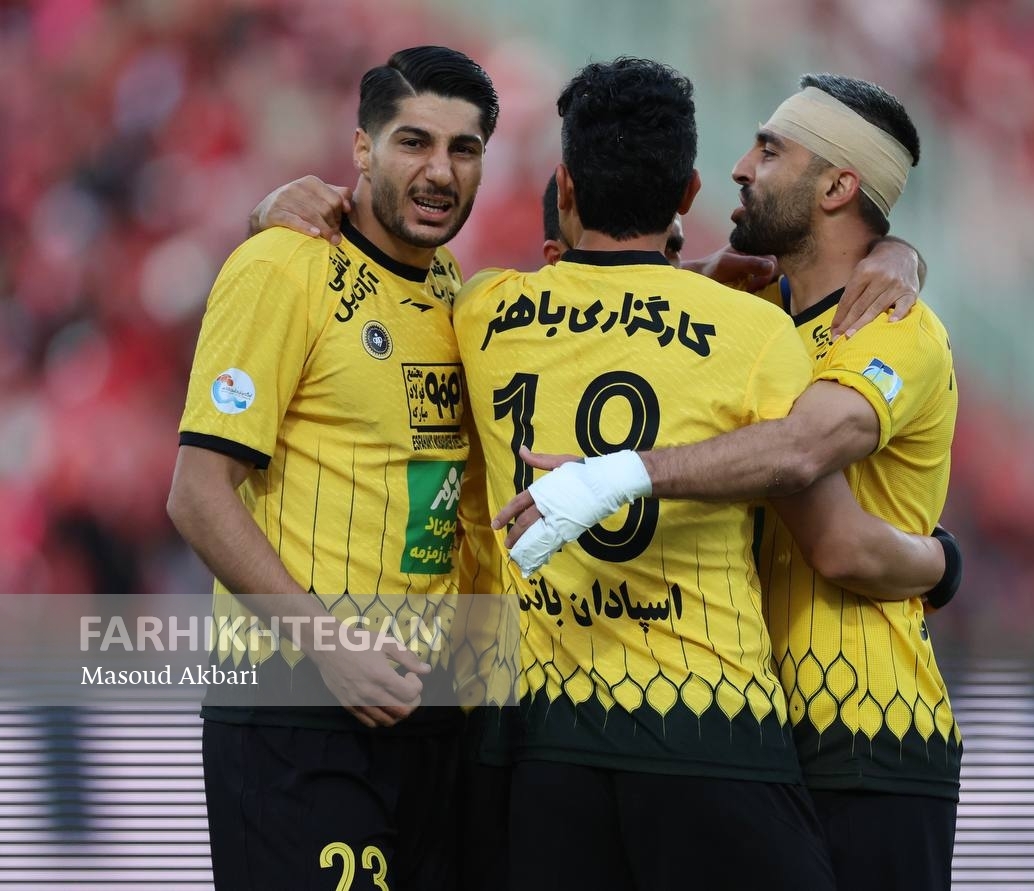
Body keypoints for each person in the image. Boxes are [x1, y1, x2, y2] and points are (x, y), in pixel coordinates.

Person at [455, 56, 957, 891]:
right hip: (754, 725)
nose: (741, 166)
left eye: (770, 150)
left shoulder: (897, 328)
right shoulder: (755, 318)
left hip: (867, 726)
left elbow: (809, 475)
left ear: (838, 187)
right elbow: (627, 293)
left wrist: (943, 562)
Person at [166, 45, 499, 890]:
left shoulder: (452, 289)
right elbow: (197, 495)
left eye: (463, 149)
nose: (440, 171)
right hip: (298, 705)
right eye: (413, 142)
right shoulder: (281, 266)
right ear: (361, 149)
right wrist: (330, 646)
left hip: (426, 712)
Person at [541, 172, 684, 266]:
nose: (650, 269)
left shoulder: (691, 294)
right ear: (556, 259)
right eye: (621, 253)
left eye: (670, 249)